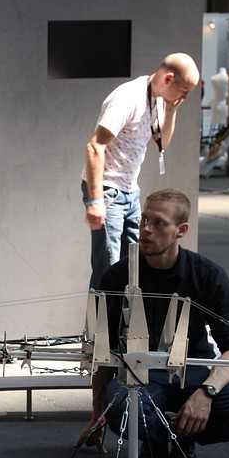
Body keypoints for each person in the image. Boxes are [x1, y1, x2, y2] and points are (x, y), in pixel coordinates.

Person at [87, 189, 229, 458]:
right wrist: (97, 417)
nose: (146, 230)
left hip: (194, 370)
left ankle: (181, 437)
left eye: (159, 223)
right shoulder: (118, 276)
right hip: (141, 374)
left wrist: (206, 393)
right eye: (144, 220)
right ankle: (159, 438)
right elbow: (102, 352)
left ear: (181, 230)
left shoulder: (208, 275)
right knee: (123, 410)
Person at [81, 53, 200, 291]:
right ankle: (103, 327)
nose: (186, 97)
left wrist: (172, 110)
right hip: (109, 190)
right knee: (109, 268)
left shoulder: (157, 99)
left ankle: (128, 326)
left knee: (135, 264)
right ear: (168, 79)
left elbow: (161, 144)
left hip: (130, 191)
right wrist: (95, 200)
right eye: (184, 90)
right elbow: (95, 146)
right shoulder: (128, 99)